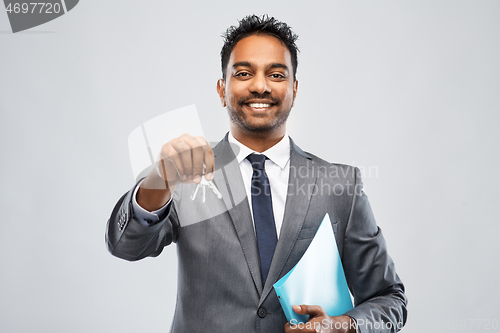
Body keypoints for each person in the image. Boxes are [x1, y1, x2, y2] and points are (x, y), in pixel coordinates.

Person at [106, 14, 407, 333]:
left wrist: (344, 325)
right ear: (222, 89)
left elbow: (389, 298)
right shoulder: (183, 171)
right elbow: (126, 246)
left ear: (294, 89)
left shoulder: (341, 185)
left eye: (276, 74)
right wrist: (159, 180)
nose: (260, 86)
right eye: (244, 73)